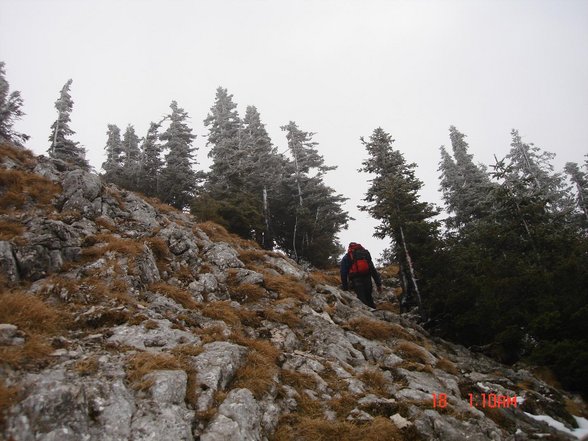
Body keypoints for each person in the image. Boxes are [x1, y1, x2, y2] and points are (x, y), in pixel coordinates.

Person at [340, 242, 383, 308]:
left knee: (361, 298)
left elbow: (343, 273)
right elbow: (372, 269)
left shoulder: (347, 256)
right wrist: (378, 284)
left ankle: (367, 314)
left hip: (356, 279)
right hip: (367, 277)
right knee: (369, 296)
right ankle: (373, 310)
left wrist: (345, 287)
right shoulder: (364, 254)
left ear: (349, 248)